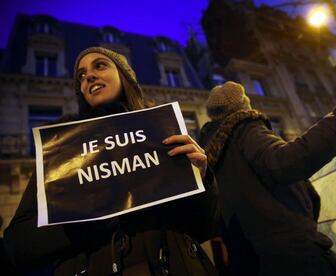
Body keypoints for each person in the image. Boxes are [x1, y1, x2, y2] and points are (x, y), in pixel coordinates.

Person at [4, 47, 218, 275]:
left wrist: (202, 178)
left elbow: (204, 228)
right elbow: (17, 245)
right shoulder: (61, 153)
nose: (89, 76)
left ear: (124, 76)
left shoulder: (160, 135)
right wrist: (90, 214)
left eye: (100, 65)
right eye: (81, 76)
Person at [199, 80, 336, 275]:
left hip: (249, 263)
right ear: (245, 106)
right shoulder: (245, 129)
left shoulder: (208, 156)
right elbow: (285, 162)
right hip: (294, 259)